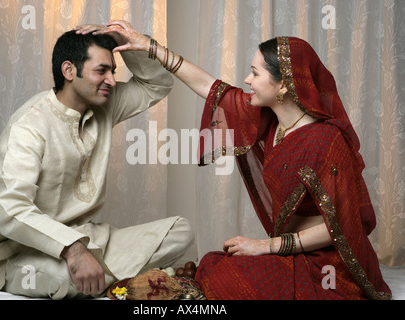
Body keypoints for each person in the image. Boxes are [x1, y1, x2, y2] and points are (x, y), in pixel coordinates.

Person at [75, 21, 392, 300]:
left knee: (230, 277)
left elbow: (341, 227)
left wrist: (265, 247)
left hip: (328, 265)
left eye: (255, 73)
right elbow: (208, 86)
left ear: (283, 85)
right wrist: (150, 47)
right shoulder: (270, 121)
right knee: (216, 262)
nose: (248, 79)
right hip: (291, 252)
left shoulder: (326, 141)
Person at [0, 29, 194, 299]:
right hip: (26, 250)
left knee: (180, 231)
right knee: (63, 282)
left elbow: (158, 84)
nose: (112, 81)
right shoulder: (29, 126)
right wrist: (73, 250)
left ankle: (100, 276)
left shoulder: (105, 104)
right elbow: (11, 209)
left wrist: (123, 43)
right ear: (69, 70)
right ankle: (106, 277)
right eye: (102, 70)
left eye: (113, 71)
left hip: (90, 239)